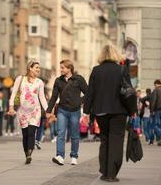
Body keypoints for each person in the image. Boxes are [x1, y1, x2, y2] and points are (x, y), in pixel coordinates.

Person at [83, 44, 136, 182]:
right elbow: (129, 92)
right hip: (119, 112)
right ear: (115, 55)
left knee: (105, 140)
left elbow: (90, 93)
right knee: (116, 141)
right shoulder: (121, 70)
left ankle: (104, 171)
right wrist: (133, 111)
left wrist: (86, 112)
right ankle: (112, 173)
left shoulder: (96, 70)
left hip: (101, 111)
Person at [46, 59, 88, 166]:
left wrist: (80, 101)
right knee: (60, 133)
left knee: (74, 135)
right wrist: (48, 110)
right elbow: (54, 97)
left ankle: (74, 156)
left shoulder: (78, 79)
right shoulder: (58, 81)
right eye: (60, 67)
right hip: (62, 111)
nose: (60, 70)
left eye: (62, 68)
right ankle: (60, 156)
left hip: (75, 111)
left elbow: (88, 93)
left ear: (69, 68)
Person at [8, 61, 48, 164]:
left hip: (35, 111)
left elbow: (42, 98)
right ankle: (26, 153)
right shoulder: (20, 79)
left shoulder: (40, 82)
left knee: (31, 132)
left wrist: (48, 110)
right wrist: (11, 107)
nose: (38, 70)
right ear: (30, 68)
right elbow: (13, 94)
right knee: (25, 134)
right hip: (23, 111)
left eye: (39, 68)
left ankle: (30, 153)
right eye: (36, 68)